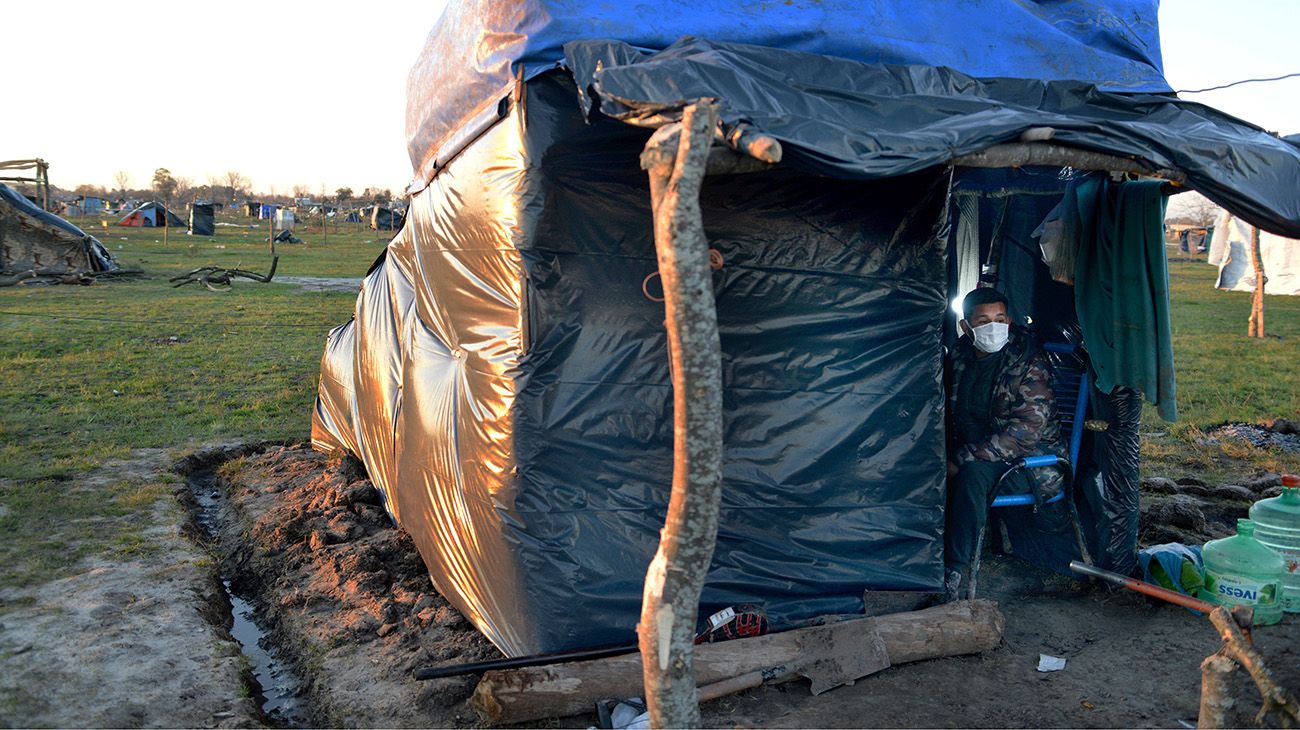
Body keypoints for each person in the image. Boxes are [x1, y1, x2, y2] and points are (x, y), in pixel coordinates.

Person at [944, 287, 1064, 600]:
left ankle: (955, 569)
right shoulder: (959, 356)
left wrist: (960, 459)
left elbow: (1023, 436)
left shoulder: (1028, 363)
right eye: (983, 321)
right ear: (966, 327)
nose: (993, 327)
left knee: (971, 477)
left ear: (1009, 321)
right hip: (978, 452)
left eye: (999, 319)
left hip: (1029, 464)